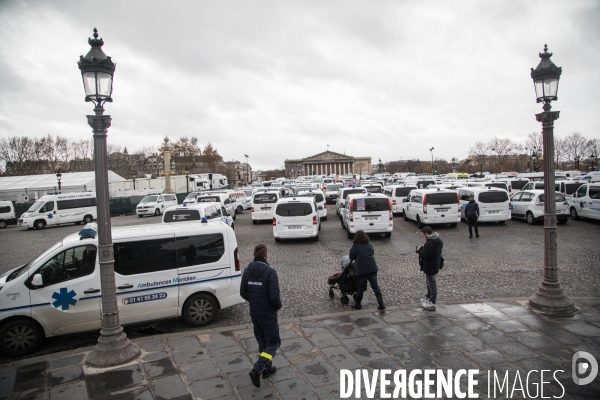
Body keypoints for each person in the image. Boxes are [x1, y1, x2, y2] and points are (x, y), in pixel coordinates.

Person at [240, 244, 282, 388]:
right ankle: (257, 369)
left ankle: (267, 369)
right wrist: (277, 306)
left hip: (255, 313)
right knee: (273, 343)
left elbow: (243, 292)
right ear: (266, 255)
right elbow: (274, 297)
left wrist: (255, 301)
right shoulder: (270, 272)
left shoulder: (247, 270)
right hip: (268, 314)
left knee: (262, 342)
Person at [349, 230, 385, 310]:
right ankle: (381, 304)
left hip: (361, 270)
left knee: (360, 287)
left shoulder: (356, 246)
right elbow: (372, 253)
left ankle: (358, 304)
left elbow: (351, 257)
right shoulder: (369, 244)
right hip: (372, 268)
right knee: (375, 286)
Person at [416, 226, 443, 310]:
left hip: (430, 266)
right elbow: (434, 250)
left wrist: (419, 250)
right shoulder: (438, 240)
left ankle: (432, 301)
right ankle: (428, 297)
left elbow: (425, 256)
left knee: (431, 284)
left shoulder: (430, 243)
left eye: (424, 234)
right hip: (435, 264)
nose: (424, 236)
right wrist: (425, 247)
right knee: (429, 282)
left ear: (426, 234)